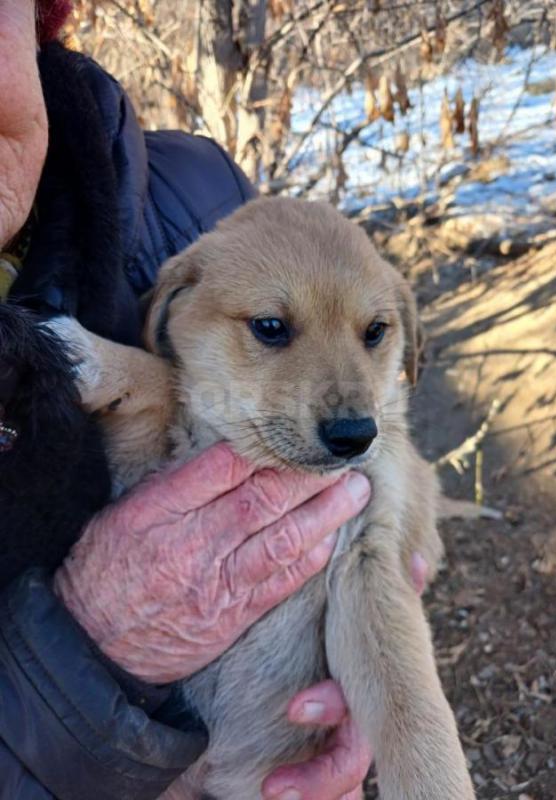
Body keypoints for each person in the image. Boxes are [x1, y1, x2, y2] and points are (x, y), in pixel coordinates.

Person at [0, 2, 427, 798]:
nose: (344, 397)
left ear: (36, 22)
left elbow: (375, 501)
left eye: (375, 333)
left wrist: (395, 579)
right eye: (272, 328)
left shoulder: (198, 197)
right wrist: (75, 666)